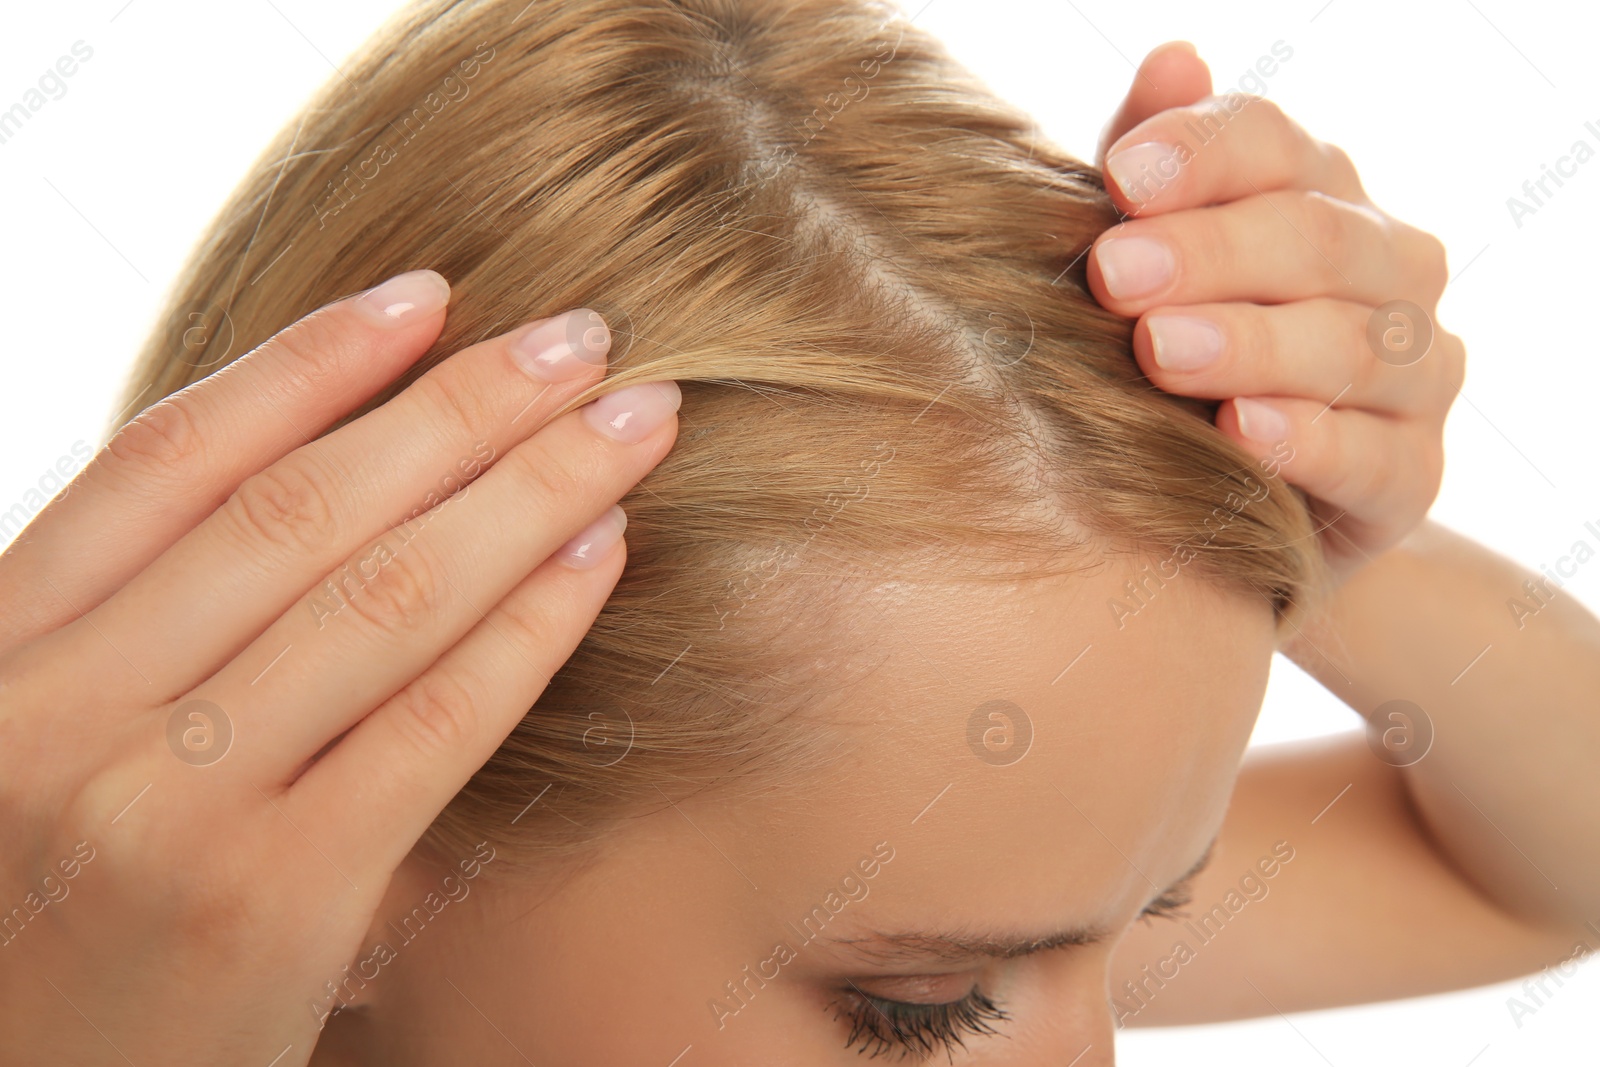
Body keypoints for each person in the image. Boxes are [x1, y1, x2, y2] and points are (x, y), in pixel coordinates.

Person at [1, 1, 1594, 1063]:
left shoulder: (963, 884)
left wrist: (1314, 513)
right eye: (920, 1016)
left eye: (1150, 919)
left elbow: (1556, 870)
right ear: (364, 862)